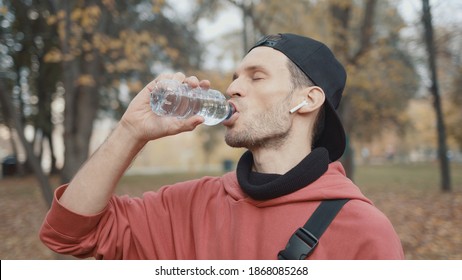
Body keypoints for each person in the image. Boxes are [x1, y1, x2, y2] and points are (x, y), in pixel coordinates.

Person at [39, 33, 404, 260]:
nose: (232, 88)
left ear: (307, 100)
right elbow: (68, 234)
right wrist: (130, 131)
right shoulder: (186, 206)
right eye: (234, 78)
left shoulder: (363, 230)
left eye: (256, 77)